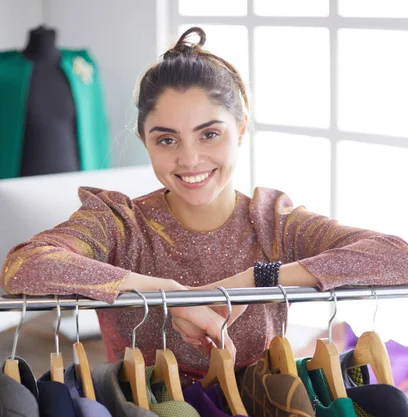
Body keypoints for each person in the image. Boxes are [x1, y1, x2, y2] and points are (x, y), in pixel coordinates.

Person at [2, 26, 408, 386]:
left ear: (241, 129)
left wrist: (256, 279)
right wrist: (169, 292)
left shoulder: (275, 223)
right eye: (166, 139)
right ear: (145, 140)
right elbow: (24, 267)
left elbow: (397, 257)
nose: (190, 159)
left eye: (209, 134)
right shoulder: (117, 224)